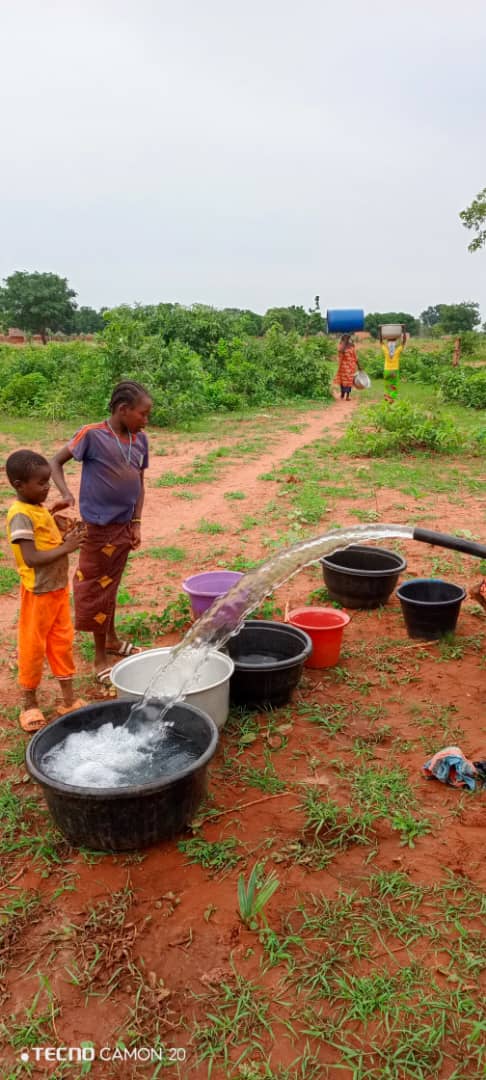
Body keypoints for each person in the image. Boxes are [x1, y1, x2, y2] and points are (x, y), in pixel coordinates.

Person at [50, 380, 152, 683]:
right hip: (97, 528)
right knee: (96, 588)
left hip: (123, 527)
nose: (146, 420)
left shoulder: (140, 440)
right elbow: (55, 461)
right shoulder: (92, 435)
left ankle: (111, 639)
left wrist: (136, 522)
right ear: (123, 409)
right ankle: (99, 658)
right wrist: (66, 494)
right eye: (142, 414)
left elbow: (140, 483)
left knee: (112, 585)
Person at [5, 450, 86, 733]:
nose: (47, 488)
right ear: (18, 484)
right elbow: (31, 557)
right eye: (41, 484)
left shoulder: (38, 508)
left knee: (62, 642)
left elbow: (47, 539)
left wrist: (63, 531)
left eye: (48, 482)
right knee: (33, 646)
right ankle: (29, 704)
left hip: (57, 590)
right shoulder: (19, 515)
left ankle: (68, 699)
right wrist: (66, 547)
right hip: (38, 592)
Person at [380, 325, 406, 403]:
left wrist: (380, 330)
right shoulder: (397, 351)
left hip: (387, 370)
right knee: (394, 385)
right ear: (395, 345)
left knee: (387, 385)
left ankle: (387, 396)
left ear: (388, 344)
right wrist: (404, 329)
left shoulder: (386, 350)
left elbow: (380, 341)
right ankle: (391, 398)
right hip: (394, 370)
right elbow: (404, 341)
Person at [335, 334, 359, 400]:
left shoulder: (352, 345)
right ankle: (342, 393)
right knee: (343, 381)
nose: (347, 339)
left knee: (349, 381)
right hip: (343, 366)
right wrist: (344, 344)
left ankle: (347, 396)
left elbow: (355, 356)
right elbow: (340, 351)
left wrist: (359, 366)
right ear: (343, 339)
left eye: (348, 338)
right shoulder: (341, 345)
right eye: (345, 338)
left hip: (351, 366)